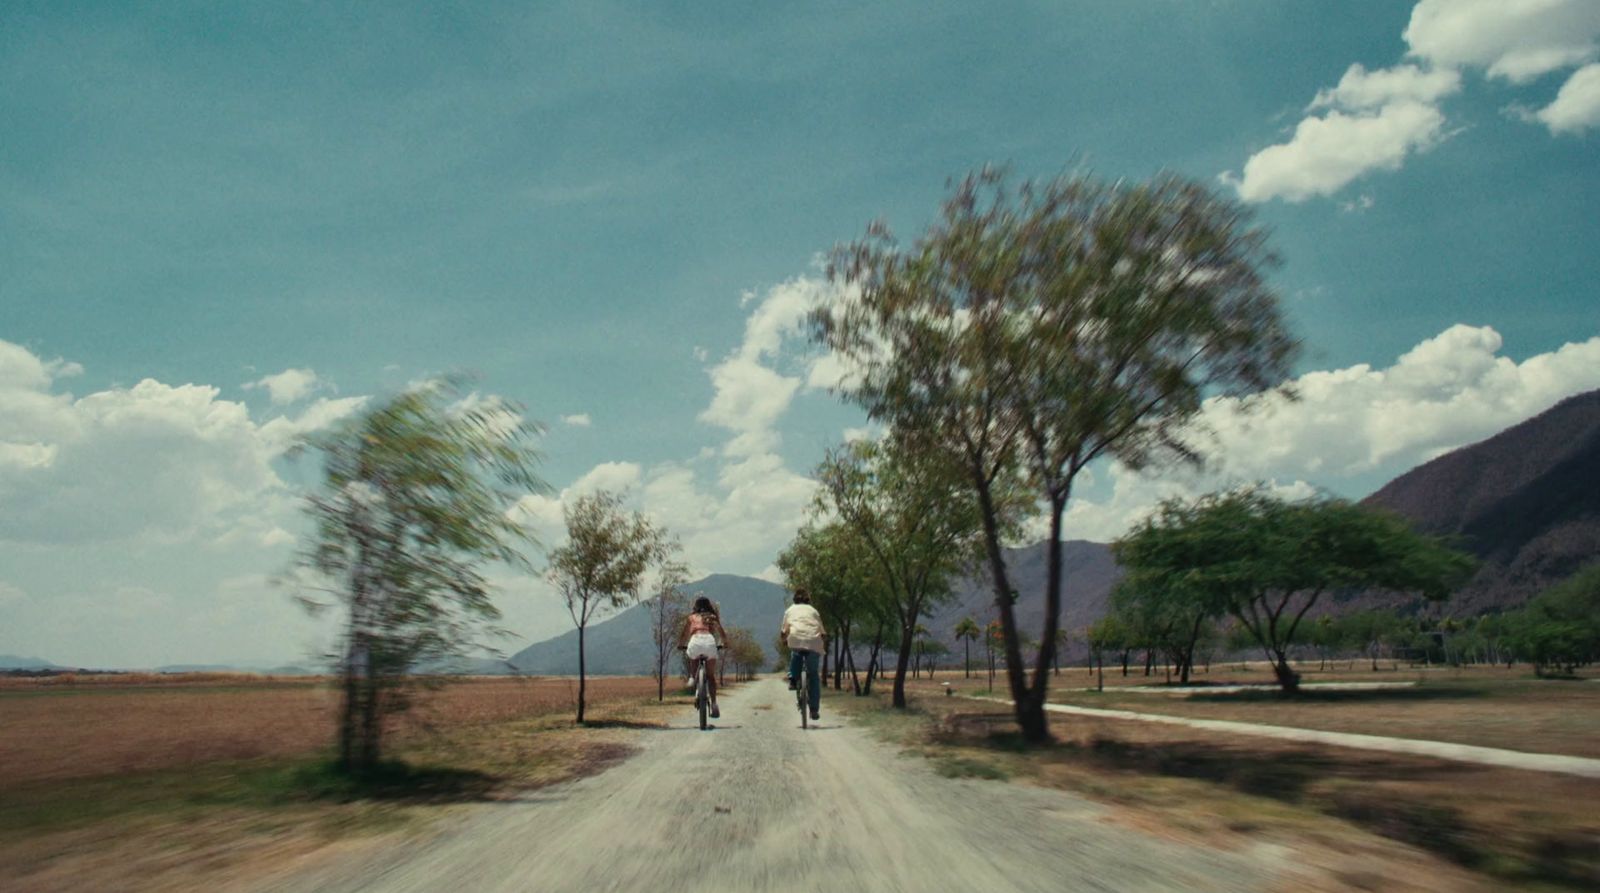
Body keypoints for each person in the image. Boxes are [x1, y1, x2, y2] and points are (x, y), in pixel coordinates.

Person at [780, 588, 826, 721]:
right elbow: (823, 632)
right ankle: (814, 710)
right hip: (814, 642)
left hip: (796, 638)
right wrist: (822, 641)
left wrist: (784, 640)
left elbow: (784, 631)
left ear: (794, 600)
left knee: (795, 652)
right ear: (808, 600)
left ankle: (793, 680)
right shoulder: (814, 611)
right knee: (813, 676)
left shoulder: (789, 610)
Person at [679, 595, 727, 718]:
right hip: (709, 642)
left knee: (692, 655)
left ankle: (691, 677)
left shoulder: (691, 617)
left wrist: (680, 644)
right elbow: (721, 631)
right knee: (710, 676)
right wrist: (725, 643)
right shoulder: (712, 617)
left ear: (695, 606)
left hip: (695, 640)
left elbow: (684, 633)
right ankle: (714, 704)